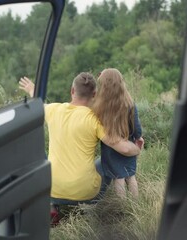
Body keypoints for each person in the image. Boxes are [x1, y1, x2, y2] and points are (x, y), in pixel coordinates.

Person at [18, 73, 141, 220]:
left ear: (72, 91)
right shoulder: (94, 119)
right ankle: (88, 208)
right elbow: (124, 148)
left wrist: (33, 89)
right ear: (94, 94)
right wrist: (137, 147)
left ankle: (53, 206)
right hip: (86, 195)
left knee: (41, 155)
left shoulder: (53, 110)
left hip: (53, 191)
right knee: (105, 160)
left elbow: (38, 104)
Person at [92, 68, 144, 198]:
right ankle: (135, 205)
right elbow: (137, 128)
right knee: (131, 177)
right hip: (129, 144)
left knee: (118, 179)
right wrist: (138, 138)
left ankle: (122, 206)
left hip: (111, 148)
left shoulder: (100, 106)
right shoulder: (130, 104)